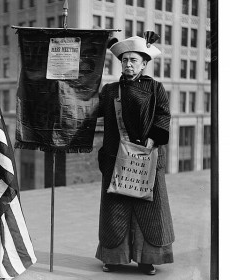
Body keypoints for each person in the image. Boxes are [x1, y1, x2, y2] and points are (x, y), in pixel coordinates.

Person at [95, 33, 174, 275]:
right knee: (116, 207)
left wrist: (152, 139)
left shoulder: (155, 88)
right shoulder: (110, 91)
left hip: (146, 157)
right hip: (115, 157)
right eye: (125, 60)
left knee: (148, 209)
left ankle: (146, 259)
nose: (128, 64)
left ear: (144, 63)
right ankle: (114, 257)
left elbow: (163, 115)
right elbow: (92, 112)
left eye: (133, 60)